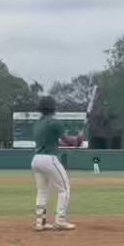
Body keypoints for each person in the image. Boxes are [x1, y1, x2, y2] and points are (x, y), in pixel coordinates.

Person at [31, 96, 83, 231]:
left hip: (36, 159)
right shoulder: (55, 123)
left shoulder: (38, 124)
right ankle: (60, 220)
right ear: (53, 108)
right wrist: (78, 139)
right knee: (64, 189)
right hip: (49, 159)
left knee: (42, 192)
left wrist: (76, 141)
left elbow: (56, 142)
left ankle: (39, 222)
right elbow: (68, 141)